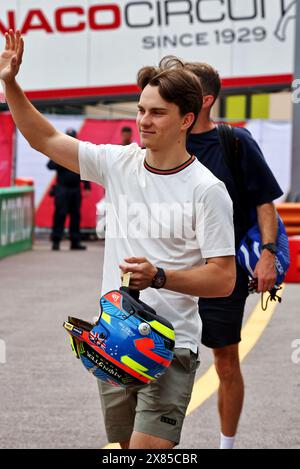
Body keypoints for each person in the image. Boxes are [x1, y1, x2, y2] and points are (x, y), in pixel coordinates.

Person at [0, 30, 236, 449]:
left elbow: (223, 279)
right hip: (112, 339)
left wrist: (160, 276)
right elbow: (45, 139)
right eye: (142, 110)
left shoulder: (208, 190)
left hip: (170, 346)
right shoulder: (118, 163)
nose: (144, 120)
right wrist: (11, 84)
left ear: (185, 119)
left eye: (158, 113)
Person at [174, 59, 282, 449]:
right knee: (159, 360)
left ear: (204, 100)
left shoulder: (234, 142)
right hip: (168, 272)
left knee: (224, 361)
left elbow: (264, 203)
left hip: (222, 271)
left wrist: (268, 254)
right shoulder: (166, 139)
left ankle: (226, 445)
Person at [47, 128, 91, 251]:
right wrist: (62, 159)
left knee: (75, 216)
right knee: (60, 215)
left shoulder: (79, 152)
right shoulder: (59, 151)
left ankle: (75, 242)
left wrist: (87, 186)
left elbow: (85, 169)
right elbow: (49, 166)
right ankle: (56, 241)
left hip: (75, 189)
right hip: (62, 189)